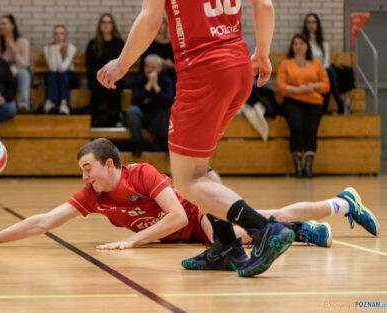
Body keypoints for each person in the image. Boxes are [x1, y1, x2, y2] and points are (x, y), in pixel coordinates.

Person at [96, 0, 296, 277]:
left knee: (187, 180)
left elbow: (150, 18)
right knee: (197, 167)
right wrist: (262, 54)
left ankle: (264, 229)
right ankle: (226, 244)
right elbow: (265, 5)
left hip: (204, 72)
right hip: (239, 66)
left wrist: (122, 64)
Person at [0, 139, 379, 264]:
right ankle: (336, 209)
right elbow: (43, 221)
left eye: (87, 168)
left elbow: (176, 215)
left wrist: (132, 242)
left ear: (110, 164)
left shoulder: (142, 174)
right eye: (82, 171)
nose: (83, 176)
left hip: (198, 217)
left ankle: (338, 205)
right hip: (181, 236)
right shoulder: (93, 196)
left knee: (261, 227)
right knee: (272, 218)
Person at [277, 34, 330, 178]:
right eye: (296, 44)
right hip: (293, 101)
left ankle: (309, 167)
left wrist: (314, 85)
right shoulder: (285, 63)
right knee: (297, 128)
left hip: (314, 102)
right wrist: (297, 90)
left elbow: (326, 85)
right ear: (292, 47)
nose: (298, 46)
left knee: (311, 129)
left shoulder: (316, 64)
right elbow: (281, 87)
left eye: (301, 43)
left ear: (307, 46)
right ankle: (298, 168)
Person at [126, 54, 174, 157]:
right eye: (147, 66)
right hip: (143, 115)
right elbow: (134, 101)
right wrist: (148, 86)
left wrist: (156, 87)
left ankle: (165, 143)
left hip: (159, 118)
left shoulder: (166, 79)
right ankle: (138, 143)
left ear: (160, 68)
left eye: (153, 67)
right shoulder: (139, 79)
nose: (149, 70)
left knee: (169, 111)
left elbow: (169, 102)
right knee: (131, 111)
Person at [85, 13, 124, 127]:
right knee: (98, 88)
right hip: (98, 79)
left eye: (108, 22)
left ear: (112, 25)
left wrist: (111, 78)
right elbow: (90, 66)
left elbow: (122, 64)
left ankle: (116, 118)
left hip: (115, 79)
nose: (106, 25)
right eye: (103, 22)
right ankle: (93, 121)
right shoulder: (93, 44)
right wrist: (101, 78)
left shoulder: (119, 43)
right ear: (99, 25)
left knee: (114, 88)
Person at [302, 13, 344, 113]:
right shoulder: (302, 43)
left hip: (322, 73)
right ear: (305, 25)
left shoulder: (324, 44)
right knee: (330, 73)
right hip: (308, 73)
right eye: (308, 22)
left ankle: (325, 109)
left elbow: (326, 63)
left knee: (329, 72)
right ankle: (340, 104)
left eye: (313, 22)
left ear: (317, 25)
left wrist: (322, 73)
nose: (311, 25)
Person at [0, 14, 31, 113]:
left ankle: (23, 105)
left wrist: (14, 50)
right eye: (0, 24)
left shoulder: (23, 42)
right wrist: (6, 50)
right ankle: (2, 103)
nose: (1, 27)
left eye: (4, 24)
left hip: (18, 71)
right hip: (4, 72)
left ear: (13, 26)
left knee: (24, 73)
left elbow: (24, 65)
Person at [42, 25, 77, 115]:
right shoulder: (47, 48)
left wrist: (57, 50)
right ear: (53, 36)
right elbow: (53, 67)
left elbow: (63, 68)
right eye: (56, 34)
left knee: (62, 74)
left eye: (61, 33)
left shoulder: (71, 48)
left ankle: (61, 104)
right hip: (54, 74)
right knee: (53, 74)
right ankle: (53, 104)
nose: (58, 36)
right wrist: (56, 49)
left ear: (65, 36)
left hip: (68, 75)